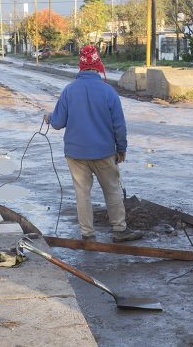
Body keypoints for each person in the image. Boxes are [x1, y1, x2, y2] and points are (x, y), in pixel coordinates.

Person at [45, 45, 142, 242]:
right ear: (98, 65)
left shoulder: (69, 90)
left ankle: (87, 234)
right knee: (112, 190)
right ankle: (119, 230)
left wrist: (49, 116)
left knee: (82, 193)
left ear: (80, 65)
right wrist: (121, 149)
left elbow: (57, 123)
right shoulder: (108, 92)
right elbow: (119, 126)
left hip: (76, 154)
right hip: (104, 152)